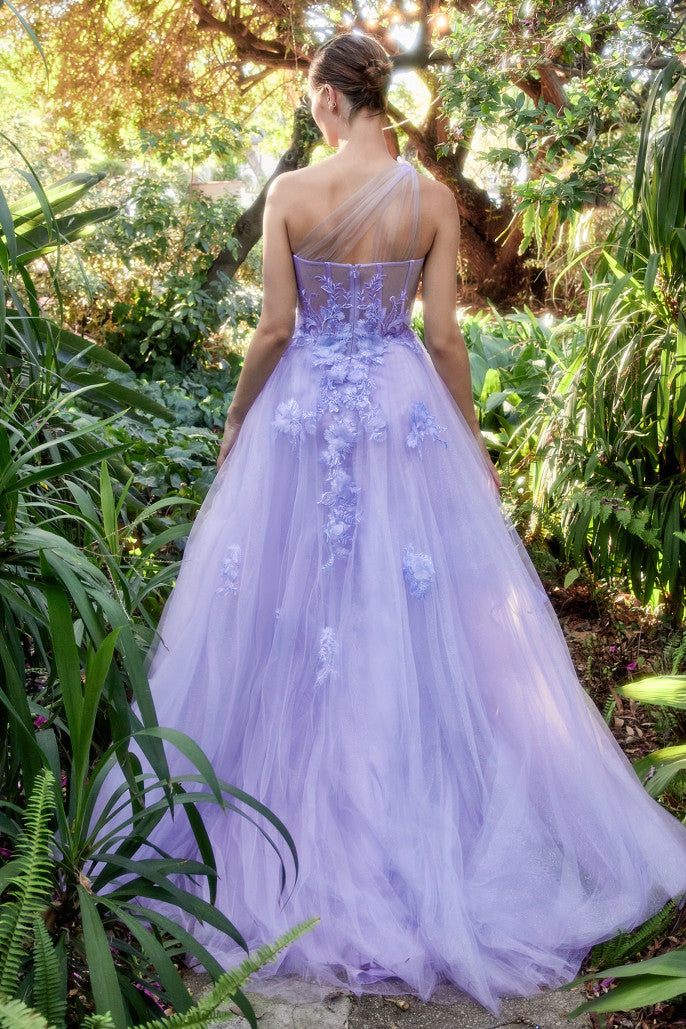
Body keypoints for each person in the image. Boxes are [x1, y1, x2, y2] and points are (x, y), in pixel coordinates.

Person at [98, 32, 686, 1018]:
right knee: (399, 607)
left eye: (310, 95)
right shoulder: (433, 200)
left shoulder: (292, 193)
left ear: (332, 97)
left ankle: (288, 829)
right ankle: (407, 818)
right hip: (397, 412)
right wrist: (469, 440)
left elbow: (275, 329)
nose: (310, 109)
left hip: (304, 422)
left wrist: (238, 419)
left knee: (289, 609)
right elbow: (444, 337)